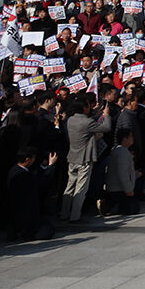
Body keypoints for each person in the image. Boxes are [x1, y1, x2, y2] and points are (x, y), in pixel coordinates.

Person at [61, 94, 113, 223]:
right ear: (84, 108)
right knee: (81, 189)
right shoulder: (87, 122)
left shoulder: (71, 119)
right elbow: (106, 127)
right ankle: (75, 216)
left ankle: (64, 213)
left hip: (72, 157)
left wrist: (97, 113)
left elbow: (89, 122)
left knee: (70, 187)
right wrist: (106, 115)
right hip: (84, 158)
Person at [5, 146, 57, 241]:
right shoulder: (23, 175)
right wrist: (50, 166)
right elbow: (42, 181)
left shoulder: (15, 170)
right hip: (26, 212)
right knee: (47, 230)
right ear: (27, 159)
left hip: (21, 211)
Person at [106, 129, 139, 216]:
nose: (132, 139)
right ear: (125, 139)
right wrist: (128, 190)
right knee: (133, 208)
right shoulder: (123, 152)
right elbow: (122, 173)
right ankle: (110, 207)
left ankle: (111, 205)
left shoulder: (115, 150)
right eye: (131, 136)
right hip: (119, 189)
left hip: (113, 188)